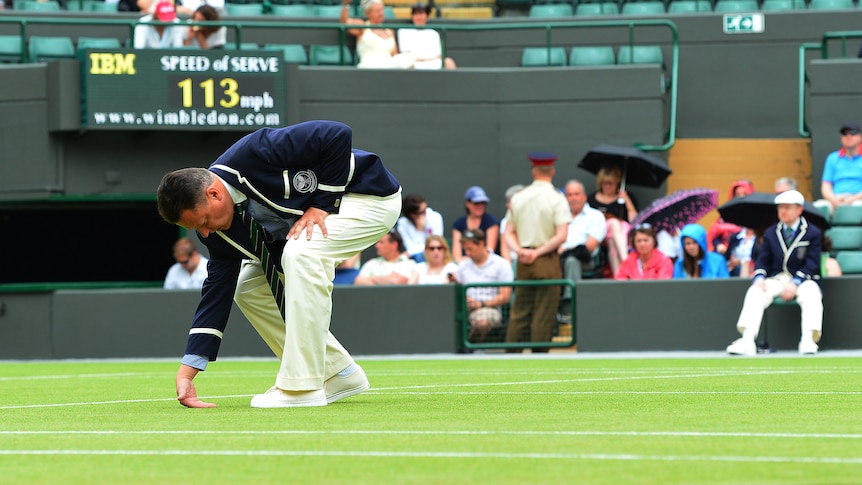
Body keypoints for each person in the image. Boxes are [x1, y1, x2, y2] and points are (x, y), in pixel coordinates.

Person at [155, 120, 402, 408]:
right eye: (199, 228)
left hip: (367, 197)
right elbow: (217, 291)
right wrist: (189, 370)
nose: (205, 233)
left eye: (205, 221)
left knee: (300, 252)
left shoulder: (254, 151)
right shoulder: (216, 232)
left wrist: (322, 204)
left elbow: (338, 133)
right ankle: (338, 373)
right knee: (246, 287)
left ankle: (302, 388)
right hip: (321, 219)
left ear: (214, 193)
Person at [726, 190, 823, 356]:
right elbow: (763, 260)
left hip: (803, 279)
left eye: (787, 207)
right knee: (755, 291)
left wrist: (795, 282)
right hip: (777, 278)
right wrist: (759, 277)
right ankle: (747, 339)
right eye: (780, 208)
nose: (783, 211)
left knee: (812, 292)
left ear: (799, 210)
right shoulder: (771, 233)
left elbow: (812, 264)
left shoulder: (813, 232)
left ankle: (808, 339)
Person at [502, 152, 571, 351]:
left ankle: (511, 353)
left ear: (533, 171)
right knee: (544, 311)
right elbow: (561, 235)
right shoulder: (557, 198)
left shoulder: (518, 197)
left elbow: (508, 232)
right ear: (553, 171)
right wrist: (538, 253)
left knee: (520, 309)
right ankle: (539, 354)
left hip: (523, 261)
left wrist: (521, 251)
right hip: (546, 260)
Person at [451, 228, 513, 343]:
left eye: (470, 249)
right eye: (465, 250)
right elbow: (455, 290)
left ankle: (470, 348)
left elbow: (505, 296)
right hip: (465, 309)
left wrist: (481, 304)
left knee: (482, 322)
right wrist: (464, 299)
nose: (468, 253)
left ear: (481, 244)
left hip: (489, 309)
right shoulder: (463, 266)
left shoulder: (501, 264)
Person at [588, 165, 638, 276]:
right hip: (601, 233)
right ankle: (626, 261)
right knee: (613, 224)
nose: (607, 186)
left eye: (610, 183)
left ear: (617, 183)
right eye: (604, 183)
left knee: (612, 241)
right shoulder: (591, 199)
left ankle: (619, 276)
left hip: (622, 235)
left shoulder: (625, 197)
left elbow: (634, 221)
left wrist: (627, 200)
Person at [342, 0, 415, 69]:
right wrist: (346, 5)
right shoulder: (363, 27)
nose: (381, 13)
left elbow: (394, 55)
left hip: (388, 67)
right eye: (377, 11)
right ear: (367, 13)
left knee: (410, 57)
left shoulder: (389, 31)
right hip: (368, 66)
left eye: (382, 10)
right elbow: (345, 22)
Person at [559, 179, 607, 283]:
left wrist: (565, 251)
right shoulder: (560, 216)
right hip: (559, 256)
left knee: (571, 261)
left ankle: (570, 298)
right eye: (570, 195)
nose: (573, 198)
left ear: (584, 197)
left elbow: (590, 246)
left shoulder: (595, 216)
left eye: (577, 194)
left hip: (584, 259)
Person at [814, 122, 862, 216]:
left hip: (858, 199)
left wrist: (853, 199)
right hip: (836, 199)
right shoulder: (832, 158)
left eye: (853, 132)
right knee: (819, 206)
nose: (848, 136)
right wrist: (834, 200)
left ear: (860, 137)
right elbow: (826, 186)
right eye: (844, 133)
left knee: (858, 206)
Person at [396, 2, 456, 70]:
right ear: (412, 16)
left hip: (433, 63)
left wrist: (424, 58)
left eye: (421, 14)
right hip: (413, 64)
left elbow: (438, 55)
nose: (419, 17)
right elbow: (405, 54)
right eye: (416, 14)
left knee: (449, 62)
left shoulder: (434, 34)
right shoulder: (403, 31)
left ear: (427, 16)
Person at [451, 185, 500, 263]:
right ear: (467, 204)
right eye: (476, 203)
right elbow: (456, 255)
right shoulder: (459, 224)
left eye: (483, 203)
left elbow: (489, 251)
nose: (480, 206)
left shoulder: (491, 222)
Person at [707, 179, 754, 253]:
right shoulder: (726, 216)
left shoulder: (756, 216)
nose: (741, 197)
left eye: (744, 194)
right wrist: (719, 245)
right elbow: (715, 235)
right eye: (738, 194)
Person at [395, 193, 444, 262]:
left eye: (425, 209)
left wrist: (409, 252)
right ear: (411, 215)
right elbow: (409, 247)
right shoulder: (403, 223)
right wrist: (419, 230)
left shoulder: (435, 217)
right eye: (422, 212)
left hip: (433, 255)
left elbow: (436, 244)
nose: (425, 213)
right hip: (413, 259)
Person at [499, 184, 524, 263]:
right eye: (508, 202)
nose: (508, 205)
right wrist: (509, 266)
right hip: (513, 261)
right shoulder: (505, 221)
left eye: (511, 202)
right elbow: (504, 248)